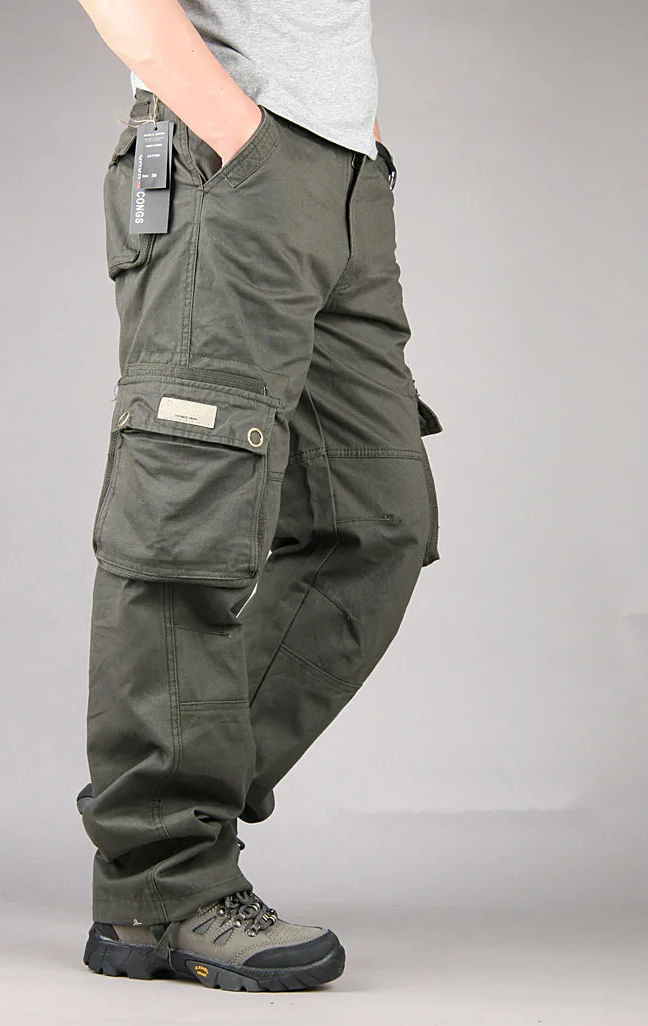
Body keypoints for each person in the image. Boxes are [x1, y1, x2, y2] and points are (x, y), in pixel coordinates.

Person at [74, 0, 442, 993]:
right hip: (229, 156)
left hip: (344, 177)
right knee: (186, 523)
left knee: (375, 523)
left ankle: (162, 813)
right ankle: (159, 882)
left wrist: (359, 142)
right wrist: (242, 137)